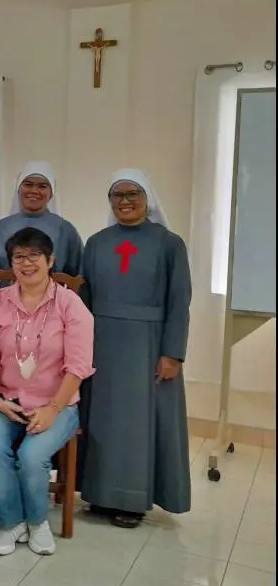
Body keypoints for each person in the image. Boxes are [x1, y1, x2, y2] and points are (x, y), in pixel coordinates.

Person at [80, 169, 191, 529]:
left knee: (137, 426)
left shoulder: (169, 243)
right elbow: (83, 300)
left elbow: (179, 302)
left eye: (133, 194)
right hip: (102, 345)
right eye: (117, 195)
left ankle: (132, 499)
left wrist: (172, 352)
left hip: (149, 347)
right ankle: (99, 492)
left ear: (148, 199)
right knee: (102, 421)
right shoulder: (96, 242)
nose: (125, 201)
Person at [0, 227, 95, 556]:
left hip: (57, 404)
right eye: (19, 257)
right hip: (6, 401)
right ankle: (11, 522)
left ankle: (37, 522)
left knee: (31, 457)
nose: (26, 264)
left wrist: (53, 408)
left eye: (34, 256)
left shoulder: (71, 306)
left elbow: (78, 367)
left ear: (50, 260)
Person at [0, 162, 83, 276]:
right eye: (28, 184)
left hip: (54, 293)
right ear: (18, 189)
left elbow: (77, 277)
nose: (34, 191)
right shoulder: (0, 228)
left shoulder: (65, 230)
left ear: (51, 193)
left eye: (42, 186)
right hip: (6, 293)